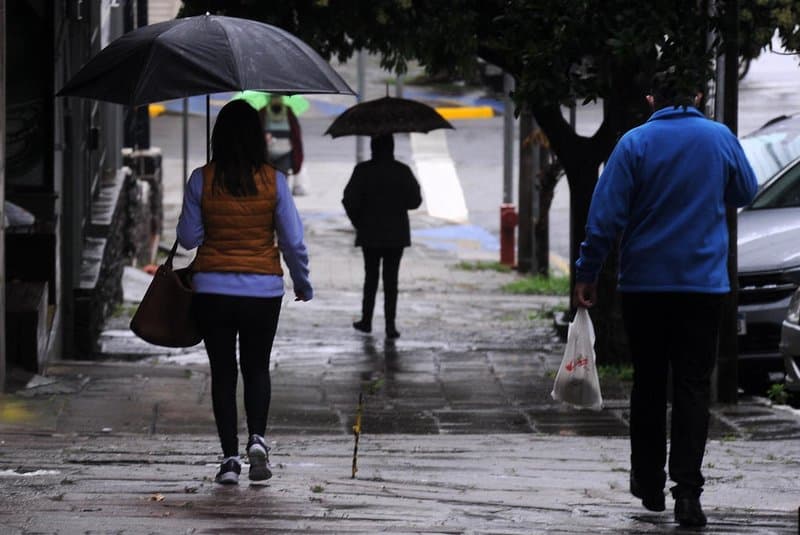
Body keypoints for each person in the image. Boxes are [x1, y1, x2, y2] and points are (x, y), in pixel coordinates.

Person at [573, 73, 757, 528]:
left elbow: (604, 217)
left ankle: (650, 481)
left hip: (645, 286)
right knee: (693, 386)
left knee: (650, 382)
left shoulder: (634, 143)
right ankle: (688, 494)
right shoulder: (719, 138)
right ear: (698, 96)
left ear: (652, 98)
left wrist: (588, 272)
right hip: (703, 286)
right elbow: (746, 191)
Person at [177, 99, 313, 485]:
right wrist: (302, 282)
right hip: (262, 290)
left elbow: (188, 238)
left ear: (217, 137)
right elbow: (293, 241)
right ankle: (257, 439)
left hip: (212, 289)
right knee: (256, 367)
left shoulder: (201, 179)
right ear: (258, 137)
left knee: (223, 372)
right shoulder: (274, 181)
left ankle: (229, 460)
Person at [342, 134, 422, 339]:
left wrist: (358, 222)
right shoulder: (402, 171)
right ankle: (390, 325)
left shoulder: (363, 171)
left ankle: (366, 320)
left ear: (372, 147)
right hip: (396, 235)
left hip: (370, 234)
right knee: (391, 280)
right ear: (392, 148)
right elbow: (415, 201)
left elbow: (348, 200)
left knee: (371, 278)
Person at [260, 96, 304, 191]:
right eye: (273, 97)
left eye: (277, 97)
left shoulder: (288, 112)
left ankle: (280, 195)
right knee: (269, 180)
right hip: (267, 153)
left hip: (285, 152)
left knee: (282, 180)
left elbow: (295, 133)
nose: (276, 100)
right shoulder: (263, 112)